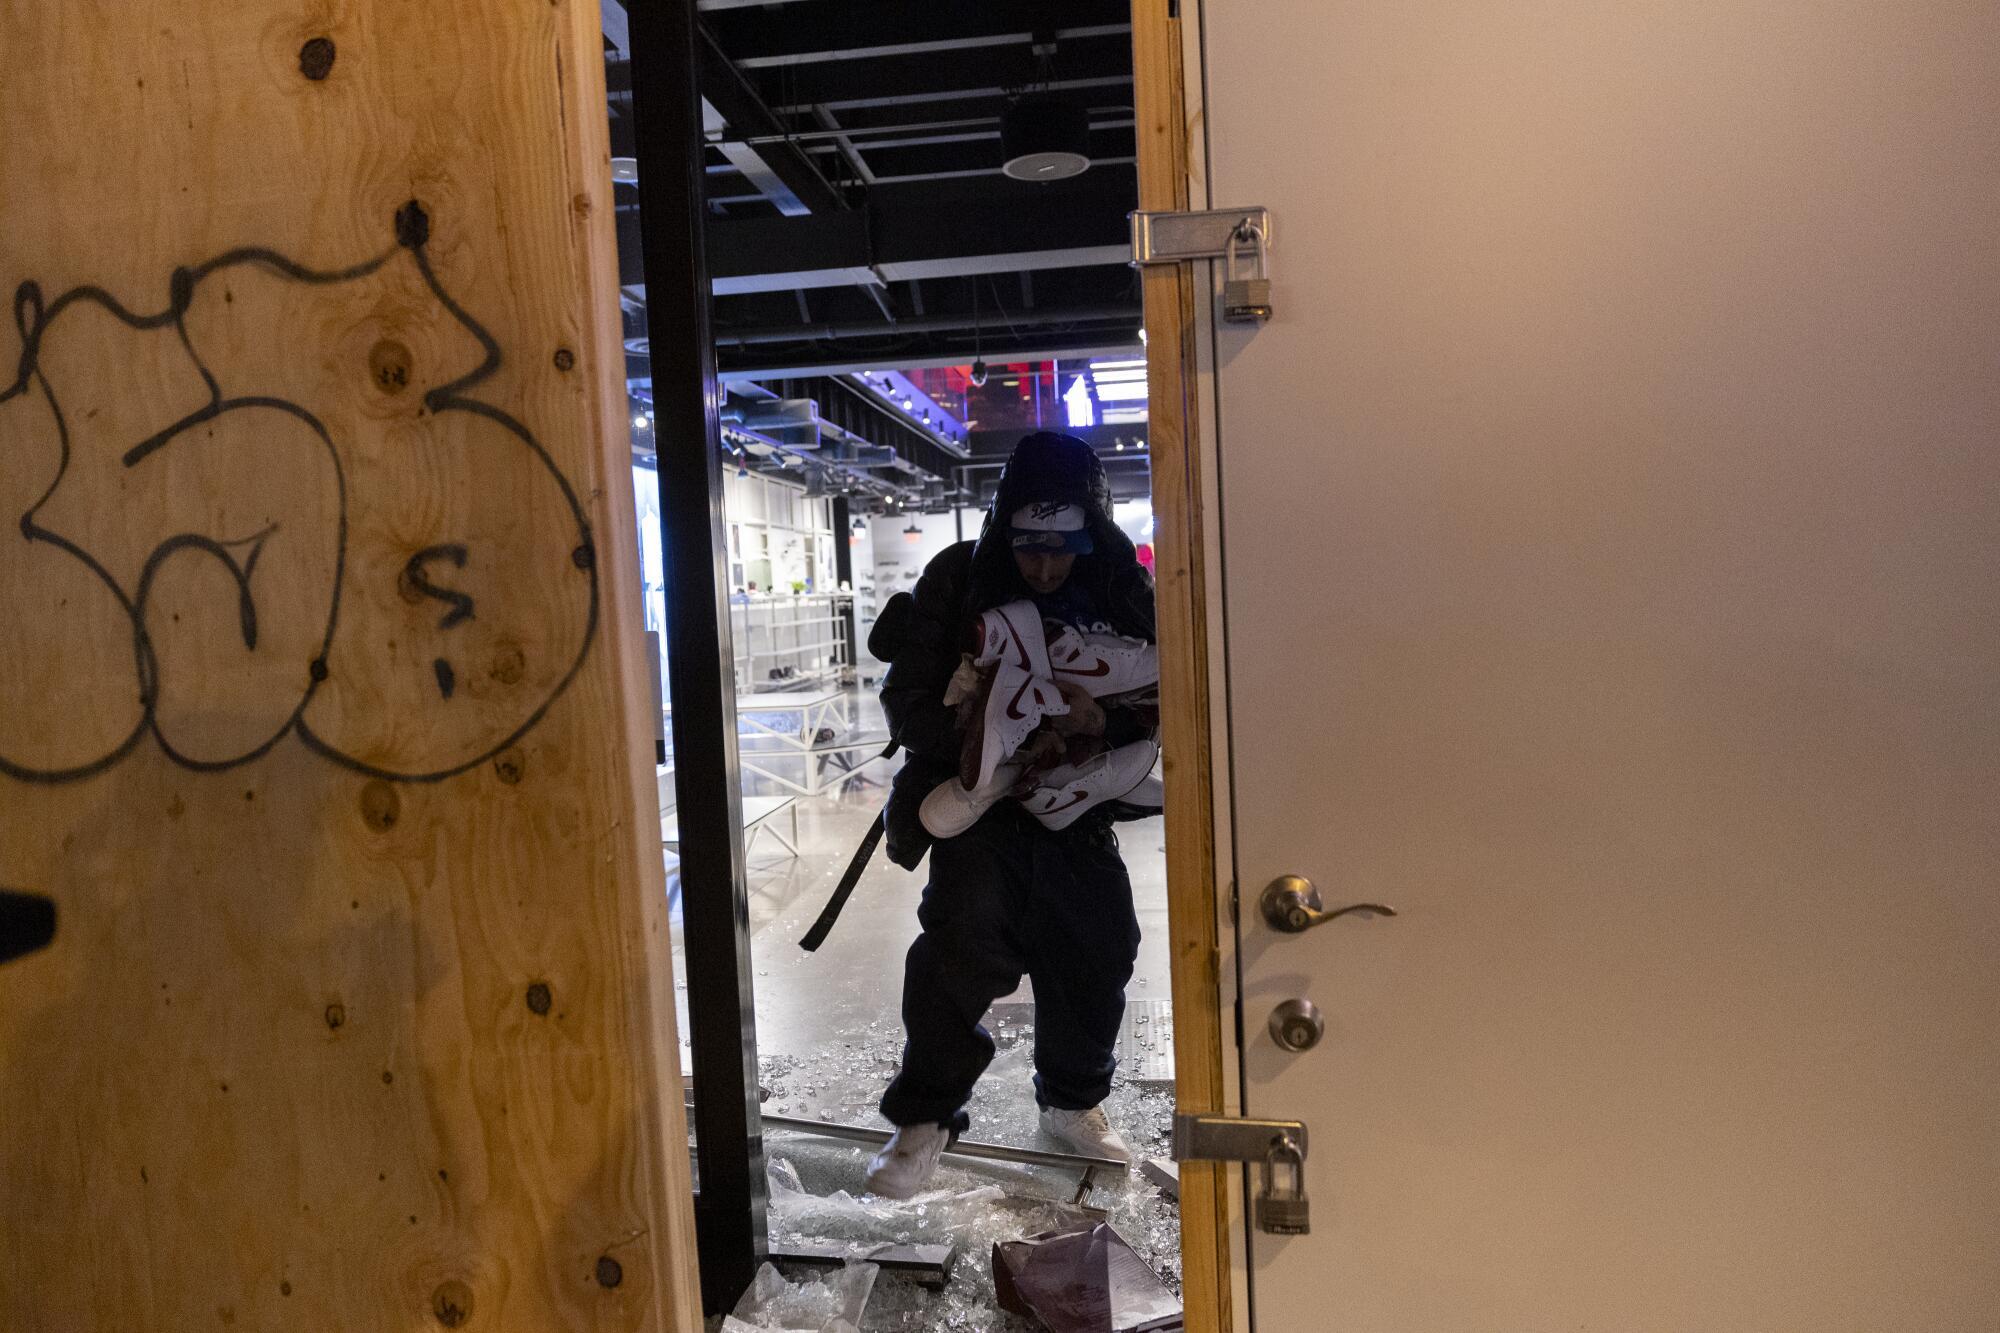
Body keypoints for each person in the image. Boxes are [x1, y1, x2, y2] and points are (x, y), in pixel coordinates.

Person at [864, 431, 1161, 1199]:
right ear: (1004, 529)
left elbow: (1172, 691)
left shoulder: (1123, 586)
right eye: (1029, 547)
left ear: (1089, 534)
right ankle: (923, 1118)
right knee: (960, 946)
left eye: (1063, 548)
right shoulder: (957, 577)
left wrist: (1101, 725)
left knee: (1098, 947)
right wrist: (976, 726)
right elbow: (903, 698)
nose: (1045, 566)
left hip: (1077, 800)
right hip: (980, 807)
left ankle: (1072, 1104)